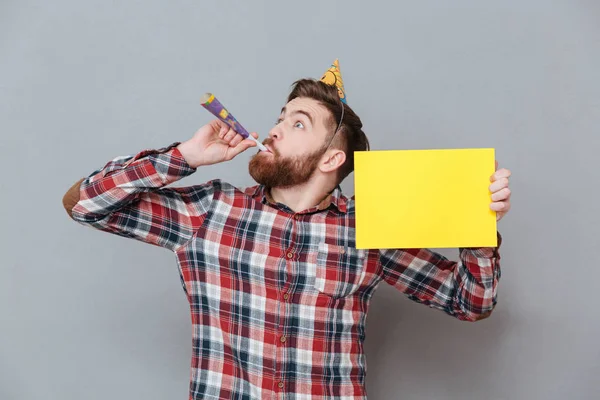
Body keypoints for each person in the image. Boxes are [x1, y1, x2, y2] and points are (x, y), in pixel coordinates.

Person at [62, 60, 512, 399]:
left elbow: (470, 303)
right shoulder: (211, 210)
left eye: (298, 123)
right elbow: (83, 204)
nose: (275, 129)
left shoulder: (371, 224)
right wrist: (184, 157)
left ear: (332, 159)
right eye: (280, 117)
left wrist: (477, 227)